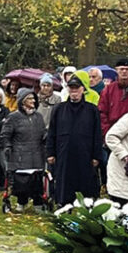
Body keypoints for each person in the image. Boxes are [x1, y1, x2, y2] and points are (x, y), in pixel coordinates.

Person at [46, 75, 103, 205]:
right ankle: (63, 204)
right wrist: (50, 153)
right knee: (64, 181)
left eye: (76, 89)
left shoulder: (92, 110)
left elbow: (97, 134)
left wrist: (96, 156)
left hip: (85, 153)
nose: (74, 92)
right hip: (64, 152)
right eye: (71, 89)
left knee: (85, 181)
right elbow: (52, 132)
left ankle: (85, 205)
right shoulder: (59, 109)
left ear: (82, 90)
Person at [1, 88, 47, 211]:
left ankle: (38, 204)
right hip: (20, 154)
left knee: (37, 181)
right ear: (22, 101)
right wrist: (8, 147)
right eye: (29, 99)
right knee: (22, 183)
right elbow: (5, 135)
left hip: (37, 154)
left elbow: (43, 132)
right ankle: (21, 203)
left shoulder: (38, 116)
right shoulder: (13, 117)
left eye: (33, 98)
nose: (33, 101)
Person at [97, 59, 128, 138]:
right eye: (121, 69)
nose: (124, 71)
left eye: (127, 69)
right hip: (112, 131)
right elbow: (102, 112)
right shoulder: (108, 90)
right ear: (116, 70)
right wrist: (107, 132)